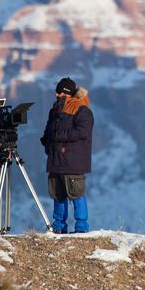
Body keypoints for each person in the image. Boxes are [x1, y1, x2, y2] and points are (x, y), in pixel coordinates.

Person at [40, 77, 94, 234]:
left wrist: (57, 135)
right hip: (56, 160)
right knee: (58, 194)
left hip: (73, 161)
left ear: (67, 94)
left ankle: (81, 228)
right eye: (56, 92)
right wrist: (46, 139)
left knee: (76, 193)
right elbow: (50, 130)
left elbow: (82, 132)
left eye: (59, 93)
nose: (56, 95)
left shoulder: (82, 110)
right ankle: (59, 226)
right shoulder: (55, 110)